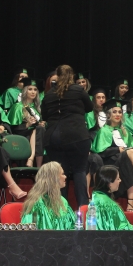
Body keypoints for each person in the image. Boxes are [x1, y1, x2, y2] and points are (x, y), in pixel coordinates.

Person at [40, 64, 93, 207]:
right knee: (79, 170)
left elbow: (44, 115)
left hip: (53, 137)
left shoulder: (49, 94)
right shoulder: (78, 90)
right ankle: (83, 207)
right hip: (76, 135)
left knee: (59, 173)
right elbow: (90, 107)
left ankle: (61, 208)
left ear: (57, 76)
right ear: (72, 76)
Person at [20, 161, 76, 230]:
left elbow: (73, 226)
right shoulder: (36, 203)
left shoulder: (63, 201)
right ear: (53, 178)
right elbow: (29, 232)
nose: (65, 176)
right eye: (62, 174)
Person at [6, 77, 45, 167]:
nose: (33, 92)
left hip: (38, 137)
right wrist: (27, 125)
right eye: (30, 89)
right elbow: (13, 129)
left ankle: (35, 162)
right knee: (37, 129)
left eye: (35, 89)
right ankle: (33, 161)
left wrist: (43, 123)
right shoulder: (17, 106)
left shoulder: (37, 108)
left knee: (40, 129)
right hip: (23, 137)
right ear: (24, 91)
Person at [91, 166, 133, 230]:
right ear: (109, 183)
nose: (120, 180)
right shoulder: (109, 205)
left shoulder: (96, 196)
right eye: (118, 179)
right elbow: (123, 228)